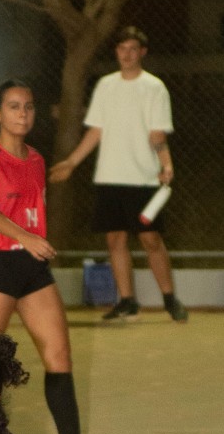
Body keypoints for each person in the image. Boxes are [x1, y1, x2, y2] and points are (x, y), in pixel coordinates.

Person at [0, 80, 122, 434]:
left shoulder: (36, 159)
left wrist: (30, 242)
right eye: (13, 106)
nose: (23, 113)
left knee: (59, 357)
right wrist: (25, 237)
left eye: (29, 106)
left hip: (32, 267)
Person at [49, 26, 187, 323]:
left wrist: (166, 164)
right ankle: (127, 301)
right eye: (122, 48)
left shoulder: (154, 87)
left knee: (151, 240)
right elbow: (96, 131)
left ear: (142, 53)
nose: (127, 54)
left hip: (144, 177)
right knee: (114, 240)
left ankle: (169, 298)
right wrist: (71, 162)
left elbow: (158, 134)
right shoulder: (106, 86)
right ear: (116, 52)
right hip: (110, 176)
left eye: (133, 49)